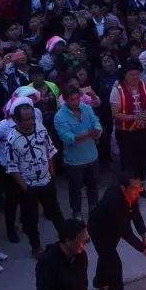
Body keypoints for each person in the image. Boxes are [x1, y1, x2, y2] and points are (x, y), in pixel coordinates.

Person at [88, 174, 146, 290]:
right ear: (124, 188)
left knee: (106, 256)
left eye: (140, 187)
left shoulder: (131, 194)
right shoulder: (114, 201)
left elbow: (136, 215)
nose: (138, 191)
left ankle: (100, 282)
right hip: (99, 230)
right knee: (113, 262)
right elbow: (127, 234)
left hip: (113, 229)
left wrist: (144, 235)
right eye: (135, 188)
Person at [5, 102, 66, 256]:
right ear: (17, 121)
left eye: (32, 117)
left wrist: (52, 175)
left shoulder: (41, 129)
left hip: (47, 181)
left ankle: (68, 238)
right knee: (31, 219)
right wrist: (26, 188)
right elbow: (12, 169)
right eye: (26, 119)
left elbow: (50, 151)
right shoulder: (12, 140)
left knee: (56, 212)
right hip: (29, 186)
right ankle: (36, 248)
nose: (31, 121)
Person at [54, 84, 103, 221]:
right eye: (72, 100)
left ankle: (94, 208)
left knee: (93, 185)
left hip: (92, 155)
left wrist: (97, 132)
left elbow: (96, 122)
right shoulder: (59, 117)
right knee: (75, 189)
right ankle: (77, 212)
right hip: (74, 160)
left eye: (77, 99)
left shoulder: (86, 108)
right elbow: (67, 138)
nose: (76, 102)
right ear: (65, 99)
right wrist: (88, 134)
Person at [109, 59, 146, 185]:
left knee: (142, 159)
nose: (135, 77)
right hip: (125, 133)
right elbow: (115, 114)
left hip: (142, 130)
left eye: (137, 74)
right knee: (128, 161)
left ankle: (141, 186)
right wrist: (135, 117)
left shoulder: (145, 86)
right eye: (131, 74)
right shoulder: (117, 90)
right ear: (125, 75)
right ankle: (129, 190)